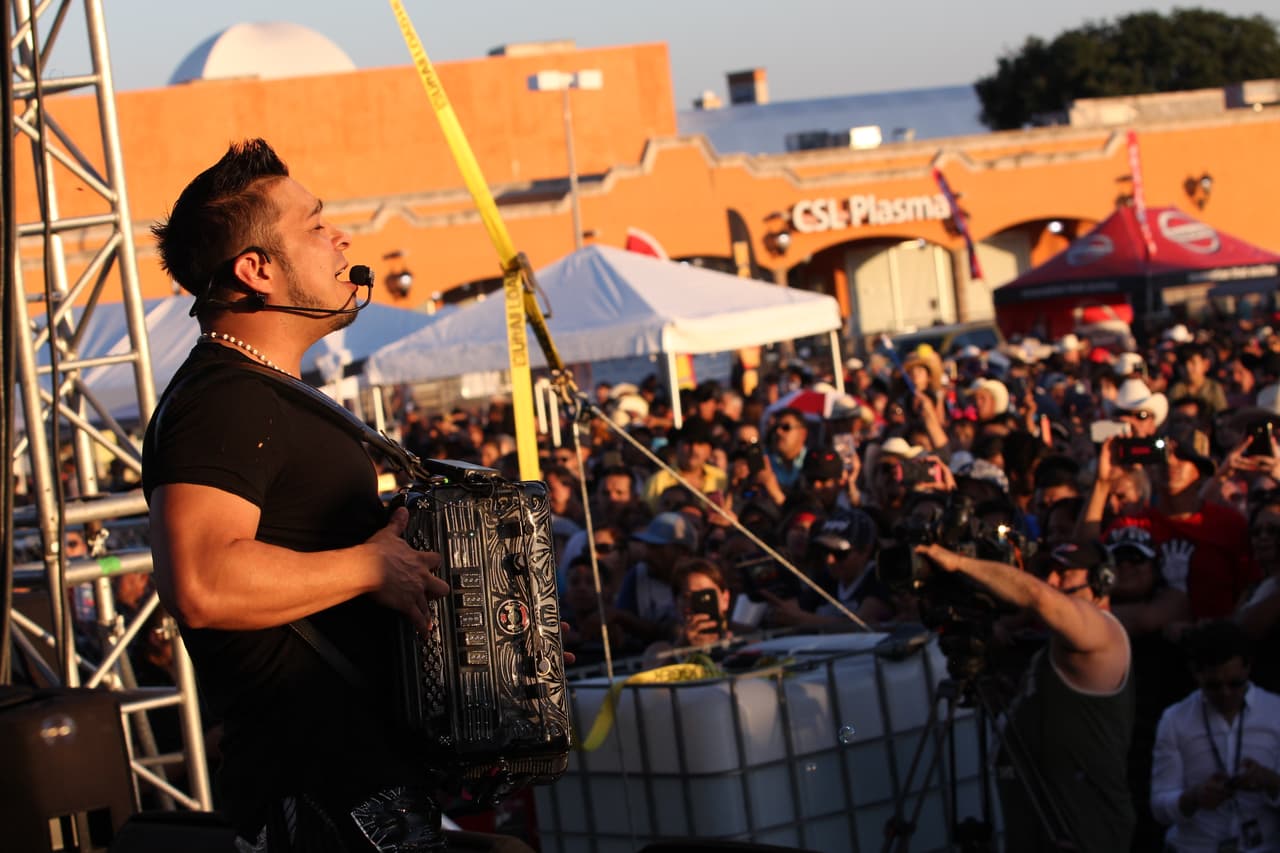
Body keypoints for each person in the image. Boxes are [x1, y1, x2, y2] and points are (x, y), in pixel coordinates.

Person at [142, 140, 501, 851]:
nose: (340, 238)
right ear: (257, 270)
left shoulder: (268, 393)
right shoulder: (224, 400)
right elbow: (202, 580)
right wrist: (373, 566)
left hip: (356, 785)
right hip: (315, 799)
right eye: (314, 225)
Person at [916, 536, 1135, 852]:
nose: (1052, 581)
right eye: (1050, 571)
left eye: (1065, 573)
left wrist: (959, 563)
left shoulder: (1102, 628)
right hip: (1040, 820)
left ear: (1102, 581)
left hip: (1082, 828)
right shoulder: (1060, 644)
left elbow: (1037, 596)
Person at [1150, 621, 1280, 852]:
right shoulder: (1175, 720)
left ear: (1248, 668)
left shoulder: (1275, 713)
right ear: (1196, 674)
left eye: (1235, 683)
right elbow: (1159, 805)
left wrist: (1270, 781)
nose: (1225, 694)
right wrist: (1194, 798)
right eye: (1213, 686)